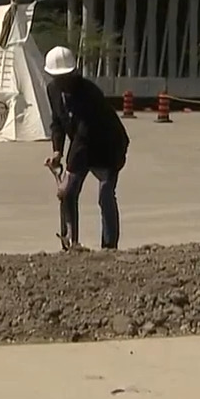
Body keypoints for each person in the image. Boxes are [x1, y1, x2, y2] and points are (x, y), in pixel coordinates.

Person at [42, 46, 130, 251]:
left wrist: (70, 172)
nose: (63, 82)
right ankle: (71, 243)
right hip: (82, 147)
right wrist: (57, 151)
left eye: (66, 76)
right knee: (68, 193)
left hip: (107, 146)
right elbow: (57, 122)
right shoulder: (53, 90)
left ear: (74, 72)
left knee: (105, 194)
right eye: (58, 77)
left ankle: (109, 246)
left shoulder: (89, 94)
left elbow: (84, 134)